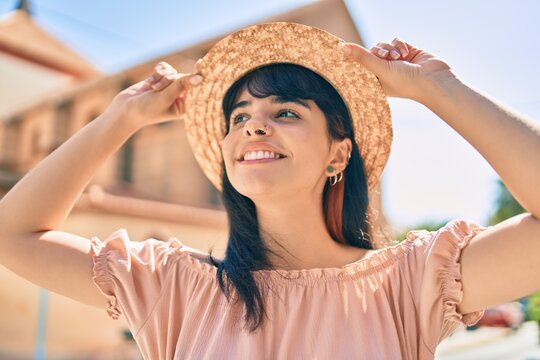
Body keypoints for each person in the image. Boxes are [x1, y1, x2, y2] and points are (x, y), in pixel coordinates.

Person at [0, 22, 539, 359]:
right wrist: (120, 119)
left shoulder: (412, 282)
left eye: (285, 111)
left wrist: (436, 87)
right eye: (238, 117)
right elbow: (13, 235)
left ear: (338, 153)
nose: (253, 127)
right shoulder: (173, 287)